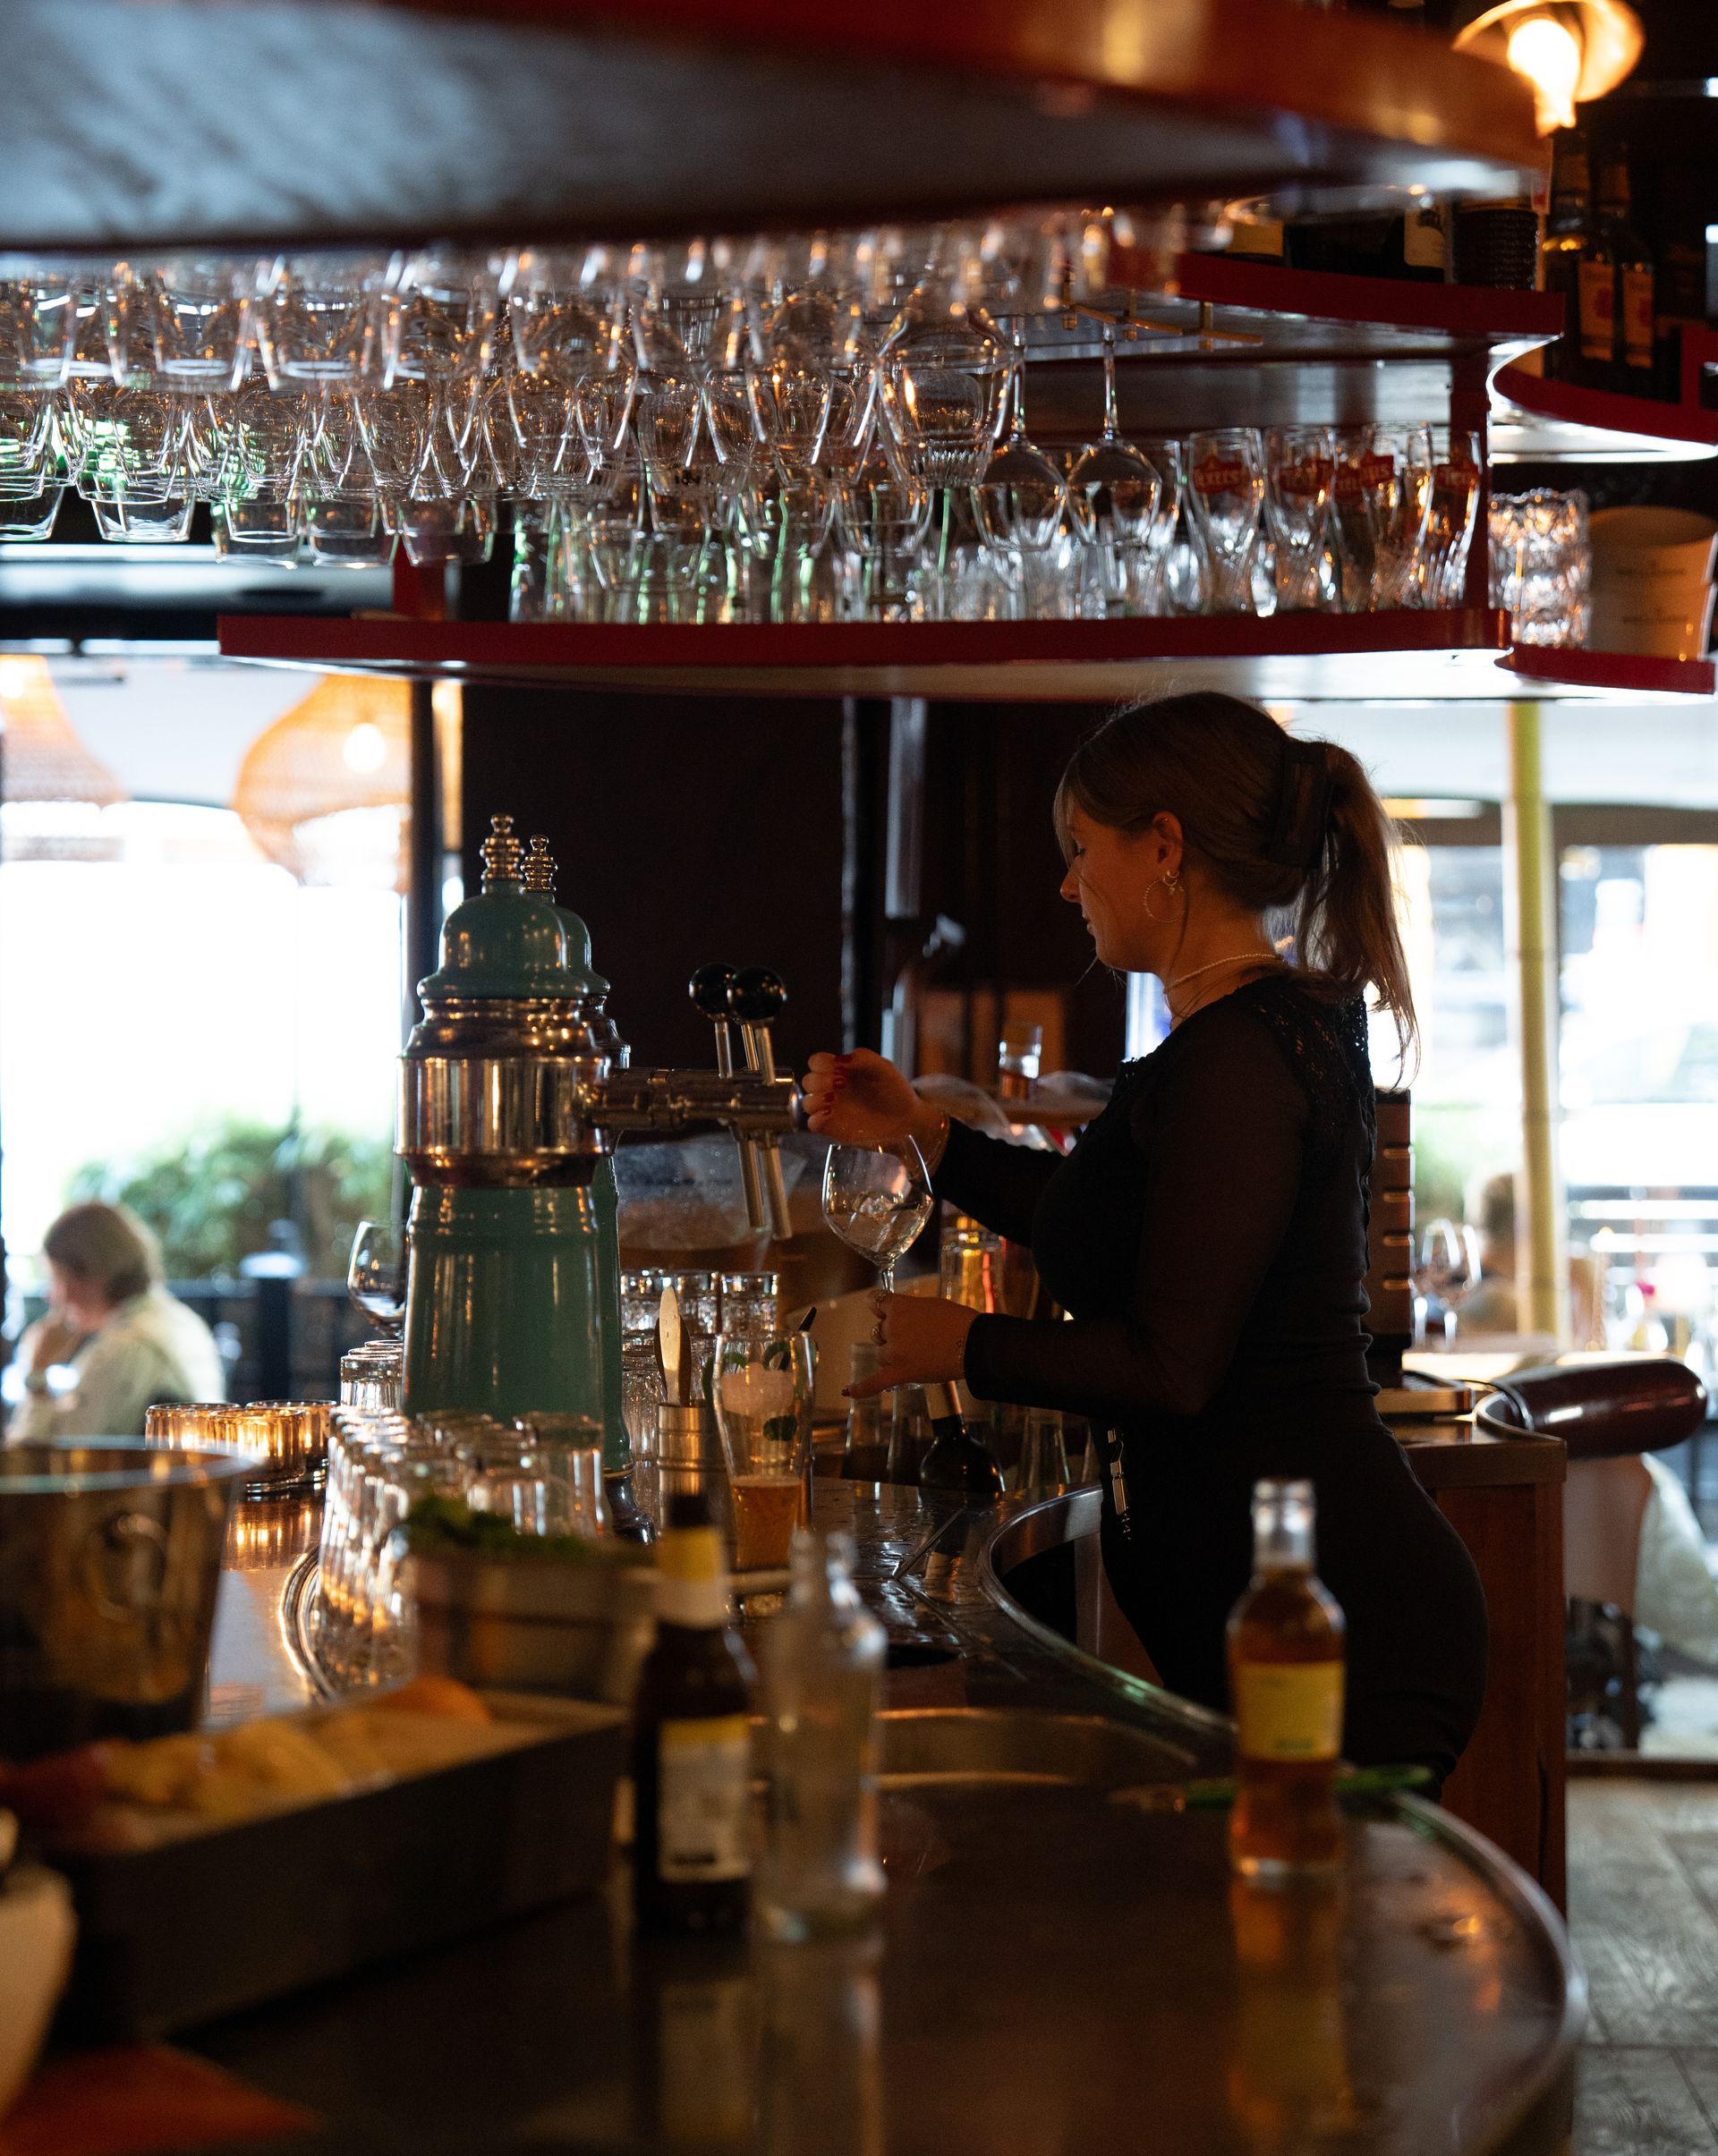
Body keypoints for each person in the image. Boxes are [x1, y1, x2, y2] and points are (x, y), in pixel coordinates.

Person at [804, 692, 1488, 1790]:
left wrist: (963, 1345)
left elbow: (1171, 1367)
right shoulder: (1243, 1039)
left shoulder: (1238, 1062)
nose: (1067, 885)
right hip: (1289, 1614)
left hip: (1342, 1629)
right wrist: (929, 1133)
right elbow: (1108, 1214)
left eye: (1082, 850)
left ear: (1163, 847)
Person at [11, 1201, 225, 1439]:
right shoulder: (178, 1318)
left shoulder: (123, 1345)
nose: (50, 1296)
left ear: (88, 1274)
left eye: (56, 1278)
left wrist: (37, 1373)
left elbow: (48, 1457)